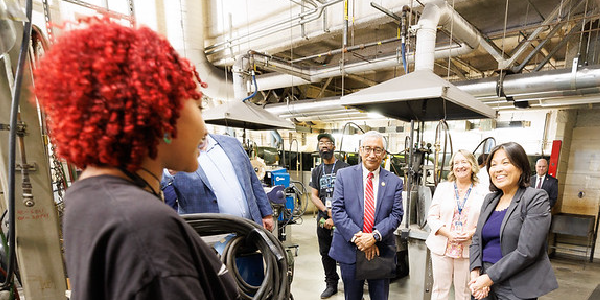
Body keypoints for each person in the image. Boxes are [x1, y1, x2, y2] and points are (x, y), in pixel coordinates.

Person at [33, 18, 239, 299]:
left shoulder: (86, 197)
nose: (204, 127)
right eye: (198, 106)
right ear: (163, 110)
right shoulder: (146, 228)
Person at [469, 142, 558, 300]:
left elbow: (528, 251)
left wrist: (488, 278)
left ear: (521, 166)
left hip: (516, 283)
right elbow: (477, 238)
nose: (498, 169)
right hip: (484, 279)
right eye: (493, 164)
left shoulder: (535, 198)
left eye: (505, 162)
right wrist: (475, 272)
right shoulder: (490, 199)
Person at [329, 131, 403, 300]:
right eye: (367, 149)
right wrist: (360, 238)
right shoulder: (344, 175)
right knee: (352, 297)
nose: (372, 154)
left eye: (377, 150)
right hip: (350, 248)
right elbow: (338, 210)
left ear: (384, 154)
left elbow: (396, 214)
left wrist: (375, 236)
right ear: (360, 150)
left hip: (380, 249)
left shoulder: (394, 181)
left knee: (379, 297)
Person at [169, 134, 274, 231]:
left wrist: (267, 214)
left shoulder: (232, 143)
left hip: (250, 227)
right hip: (209, 233)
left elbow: (253, 180)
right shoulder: (176, 154)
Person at [426, 150, 486, 300]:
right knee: (440, 290)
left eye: (464, 162)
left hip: (467, 248)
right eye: (456, 163)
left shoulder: (483, 192)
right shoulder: (442, 188)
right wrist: (448, 233)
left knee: (464, 292)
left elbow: (485, 220)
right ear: (452, 167)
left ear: (472, 165)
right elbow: (432, 217)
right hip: (442, 247)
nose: (460, 166)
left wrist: (472, 233)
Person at [310, 133, 350, 299]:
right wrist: (327, 212)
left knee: (347, 252)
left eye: (327, 143)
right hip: (324, 218)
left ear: (334, 146)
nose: (324, 146)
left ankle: (350, 285)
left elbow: (351, 195)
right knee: (325, 253)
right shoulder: (317, 170)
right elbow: (314, 195)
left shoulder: (345, 168)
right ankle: (331, 284)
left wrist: (336, 215)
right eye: (321, 143)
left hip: (343, 218)